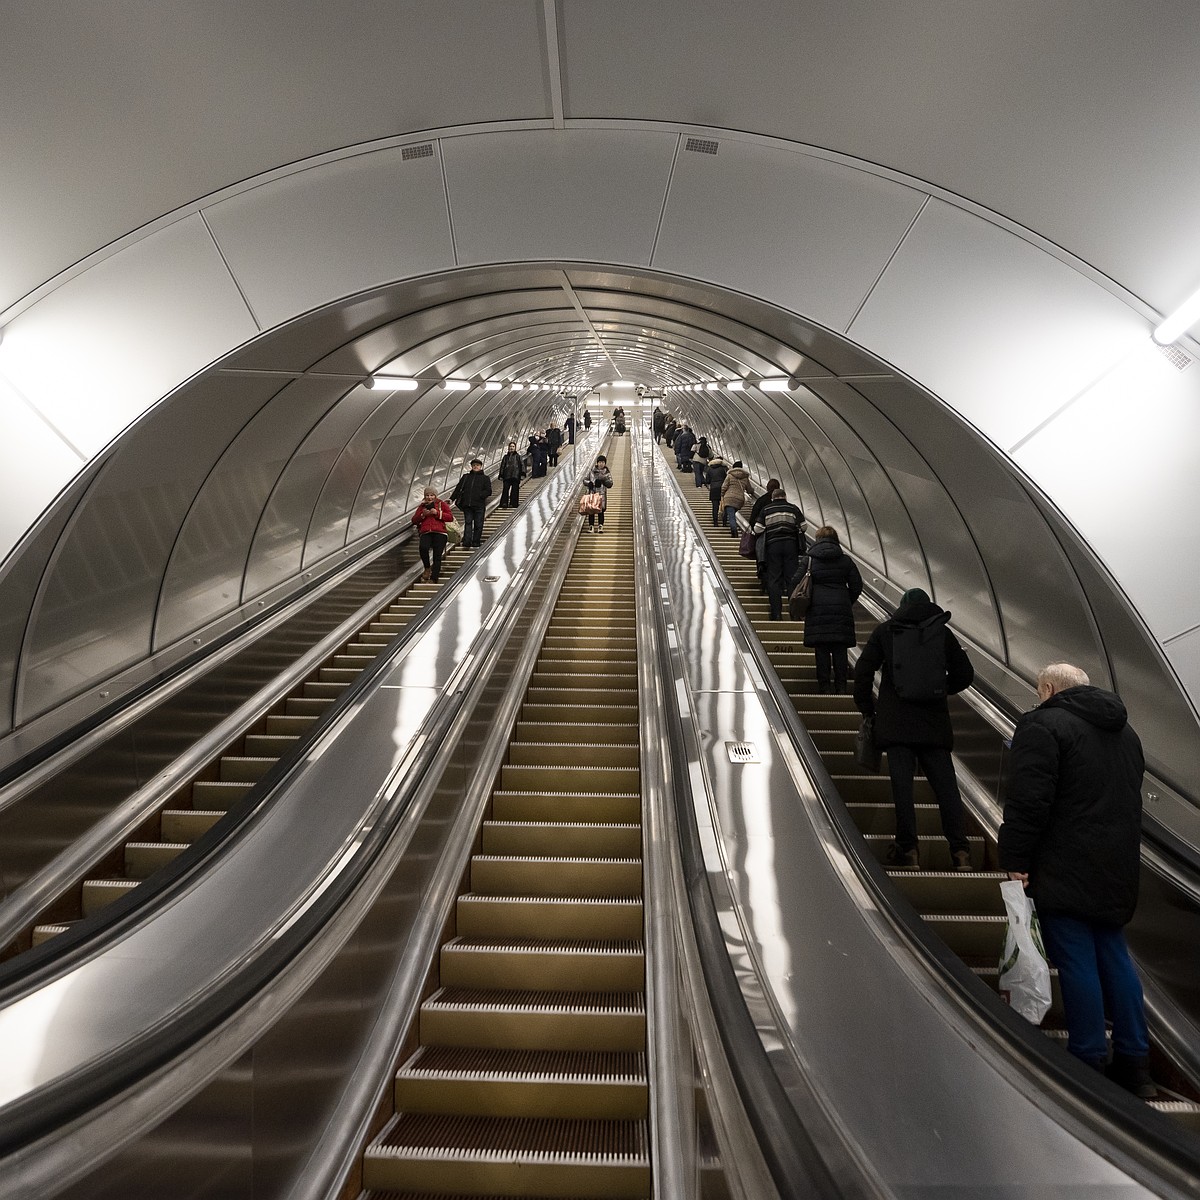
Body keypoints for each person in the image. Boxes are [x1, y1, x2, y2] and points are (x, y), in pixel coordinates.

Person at [998, 663, 1154, 1097]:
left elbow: (1030, 799)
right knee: (1113, 955)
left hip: (1063, 862)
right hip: (1117, 865)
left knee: (1076, 958)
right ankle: (1135, 1063)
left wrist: (1015, 856)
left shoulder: (1043, 725)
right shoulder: (1127, 734)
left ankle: (1086, 1056)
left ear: (1047, 689)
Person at [853, 587, 974, 872]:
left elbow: (863, 670)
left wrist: (867, 708)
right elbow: (965, 674)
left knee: (903, 789)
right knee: (947, 789)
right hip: (934, 724)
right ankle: (960, 852)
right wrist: (941, 689)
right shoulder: (942, 633)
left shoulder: (886, 631)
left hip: (896, 723)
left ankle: (909, 850)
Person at [798, 526, 862, 684]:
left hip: (817, 607)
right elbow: (857, 585)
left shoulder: (810, 560)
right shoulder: (845, 560)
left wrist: (803, 605)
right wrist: (847, 600)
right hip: (841, 607)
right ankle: (841, 686)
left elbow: (796, 581)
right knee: (840, 649)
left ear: (818, 539)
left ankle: (824, 685)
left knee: (821, 650)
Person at [754, 488, 807, 621]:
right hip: (791, 546)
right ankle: (794, 613)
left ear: (773, 497)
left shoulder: (766, 509)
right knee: (791, 578)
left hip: (773, 546)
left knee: (774, 579)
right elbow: (804, 526)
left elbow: (757, 529)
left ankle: (776, 613)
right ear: (785, 496)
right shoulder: (793, 508)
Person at [410, 487, 453, 582]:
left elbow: (450, 517)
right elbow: (414, 520)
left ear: (435, 496)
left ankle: (434, 578)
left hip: (440, 532)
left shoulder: (442, 504)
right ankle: (427, 568)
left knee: (437, 556)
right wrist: (422, 515)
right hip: (426, 532)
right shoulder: (422, 507)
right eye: (427, 495)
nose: (429, 497)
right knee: (423, 548)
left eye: (432, 495)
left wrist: (437, 513)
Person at [747, 478, 782, 593]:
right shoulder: (786, 504)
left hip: (764, 536)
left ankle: (764, 581)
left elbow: (753, 519)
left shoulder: (761, 501)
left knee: (762, 557)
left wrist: (756, 530)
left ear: (767, 488)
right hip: (780, 538)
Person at [449, 457, 492, 549]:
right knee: (468, 523)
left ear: (481, 467)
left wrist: (480, 495)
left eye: (477, 465)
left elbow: (489, 491)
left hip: (479, 505)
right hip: (467, 505)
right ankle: (467, 541)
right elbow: (458, 488)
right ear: (471, 467)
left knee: (478, 524)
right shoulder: (466, 477)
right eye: (474, 465)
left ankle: (476, 541)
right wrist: (451, 499)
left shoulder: (485, 478)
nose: (475, 467)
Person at [720, 460, 754, 538]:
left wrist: (722, 494)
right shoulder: (745, 478)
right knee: (731, 511)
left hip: (729, 497)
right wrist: (752, 491)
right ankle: (725, 522)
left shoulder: (730, 475)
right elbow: (749, 489)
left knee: (731, 514)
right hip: (739, 499)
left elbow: (724, 487)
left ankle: (734, 531)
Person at [582, 454, 613, 532]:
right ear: (597, 463)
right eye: (600, 462)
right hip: (592, 493)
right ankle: (591, 526)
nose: (601, 464)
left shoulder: (607, 473)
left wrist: (603, 480)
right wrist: (589, 483)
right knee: (591, 511)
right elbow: (585, 480)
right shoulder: (591, 471)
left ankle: (600, 526)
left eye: (603, 462)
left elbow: (610, 483)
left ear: (605, 463)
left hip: (601, 495)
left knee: (601, 511)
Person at [705, 452, 730, 526]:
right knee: (724, 505)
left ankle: (715, 522)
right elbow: (727, 479)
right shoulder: (724, 469)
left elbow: (707, 481)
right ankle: (724, 522)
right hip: (723, 488)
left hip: (714, 488)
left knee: (715, 506)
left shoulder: (709, 469)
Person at [498, 440, 524, 508]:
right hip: (507, 475)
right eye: (510, 446)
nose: (511, 448)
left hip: (515, 475)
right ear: (508, 448)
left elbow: (522, 465)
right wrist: (501, 475)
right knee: (505, 490)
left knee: (515, 490)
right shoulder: (505, 457)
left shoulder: (518, 456)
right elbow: (502, 466)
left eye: (513, 446)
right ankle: (504, 503)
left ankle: (513, 503)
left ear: (515, 448)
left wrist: (522, 474)